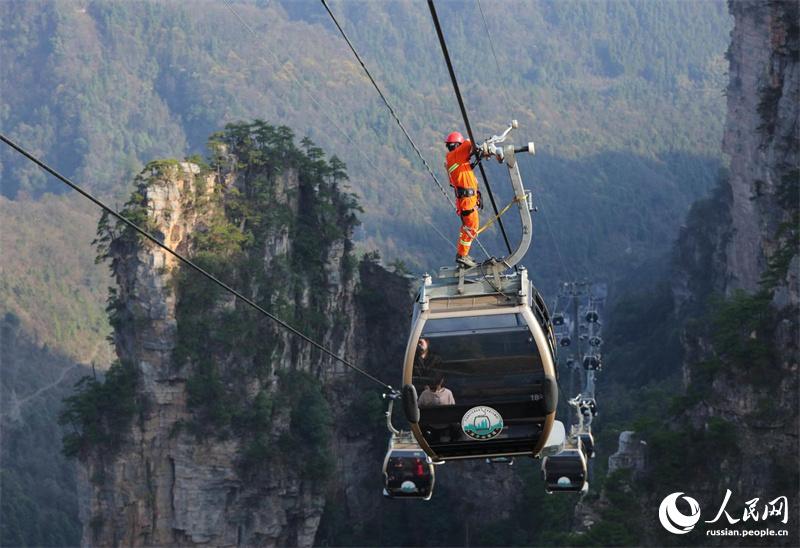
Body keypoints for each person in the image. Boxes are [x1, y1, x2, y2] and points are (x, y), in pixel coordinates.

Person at [444, 131, 483, 268]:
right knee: (472, 227)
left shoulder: (454, 160)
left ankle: (463, 254)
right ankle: (462, 255)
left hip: (466, 199)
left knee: (468, 227)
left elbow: (464, 174)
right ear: (457, 146)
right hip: (467, 200)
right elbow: (468, 143)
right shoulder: (455, 155)